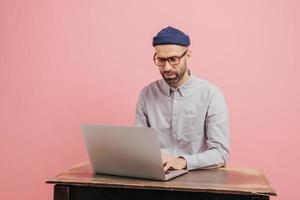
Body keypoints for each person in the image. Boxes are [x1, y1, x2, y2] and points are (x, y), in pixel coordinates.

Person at [135, 26, 230, 172]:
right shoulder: (146, 94)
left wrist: (183, 161)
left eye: (173, 59)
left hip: (197, 181)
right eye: (160, 60)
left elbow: (221, 153)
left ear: (188, 54)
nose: (167, 67)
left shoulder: (211, 94)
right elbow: (140, 146)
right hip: (155, 178)